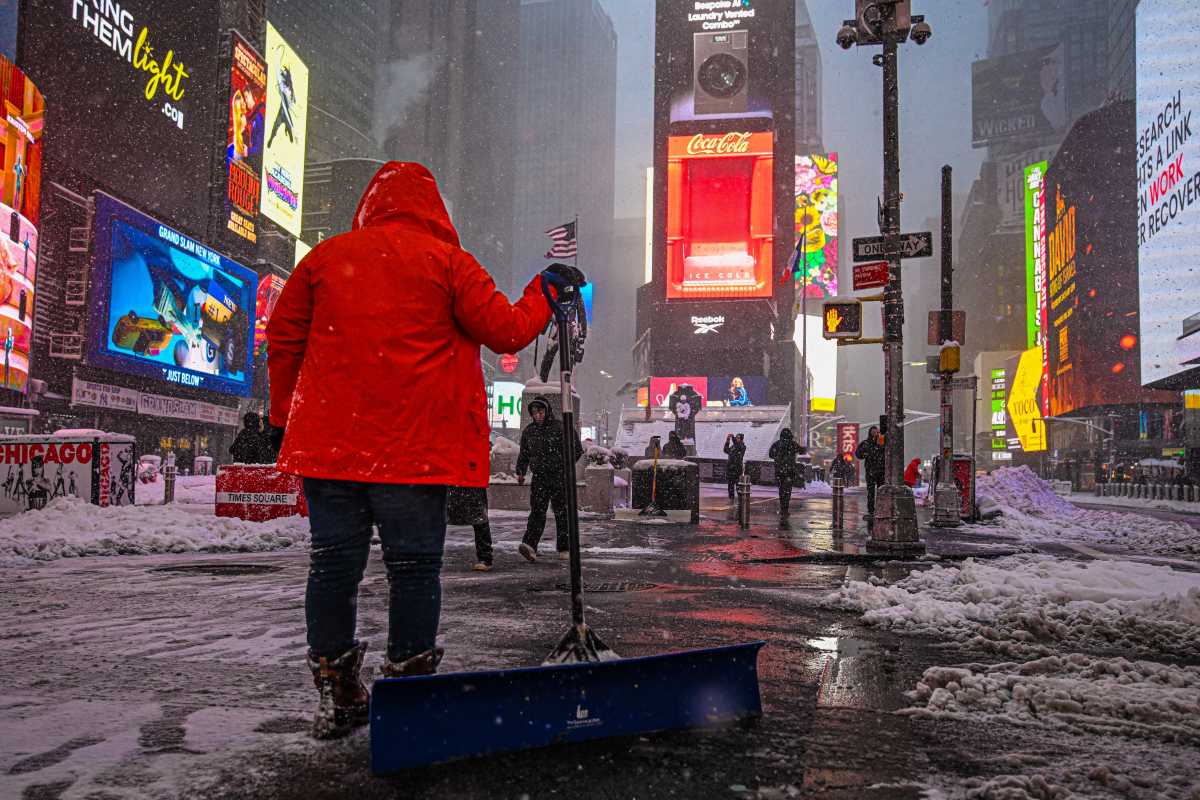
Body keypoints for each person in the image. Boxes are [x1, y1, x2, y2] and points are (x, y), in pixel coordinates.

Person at [267, 161, 575, 739]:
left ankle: (337, 694)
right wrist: (542, 292)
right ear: (435, 209)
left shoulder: (323, 260)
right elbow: (506, 330)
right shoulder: (449, 263)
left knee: (333, 566)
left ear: (370, 204)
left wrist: (285, 416)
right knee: (413, 569)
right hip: (413, 451)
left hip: (331, 450)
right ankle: (408, 696)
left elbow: (283, 341)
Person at [515, 396, 582, 563]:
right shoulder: (529, 431)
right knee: (537, 511)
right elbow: (524, 454)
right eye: (534, 413)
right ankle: (529, 545)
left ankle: (564, 547)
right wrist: (521, 472)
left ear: (547, 411)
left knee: (562, 512)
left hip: (559, 477)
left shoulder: (560, 427)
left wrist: (563, 465)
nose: (538, 415)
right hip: (539, 478)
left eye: (541, 412)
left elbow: (577, 449)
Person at [448, 486, 493, 571]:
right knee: (479, 516)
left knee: (479, 517)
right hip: (458, 478)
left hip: (471, 479)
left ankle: (485, 557)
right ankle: (485, 557)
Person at [855, 426, 886, 520]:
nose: (875, 433)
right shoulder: (866, 443)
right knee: (871, 492)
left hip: (881, 470)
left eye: (876, 432)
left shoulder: (882, 441)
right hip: (870, 471)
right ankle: (871, 511)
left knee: (881, 491)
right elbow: (858, 454)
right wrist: (864, 454)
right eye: (873, 432)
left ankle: (881, 509)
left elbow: (889, 451)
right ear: (870, 433)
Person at [768, 428, 800, 520]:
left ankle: (782, 508)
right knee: (788, 491)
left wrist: (778, 456)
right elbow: (801, 450)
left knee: (781, 490)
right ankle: (785, 509)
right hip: (790, 472)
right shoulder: (793, 444)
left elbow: (771, 454)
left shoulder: (777, 444)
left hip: (780, 471)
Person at [724, 432, 746, 499]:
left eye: (738, 438)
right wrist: (727, 441)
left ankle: (740, 499)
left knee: (738, 486)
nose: (736, 439)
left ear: (741, 439)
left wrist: (732, 437)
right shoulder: (733, 446)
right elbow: (725, 450)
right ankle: (731, 498)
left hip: (737, 468)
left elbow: (738, 446)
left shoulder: (742, 446)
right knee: (730, 486)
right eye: (736, 437)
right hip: (730, 468)